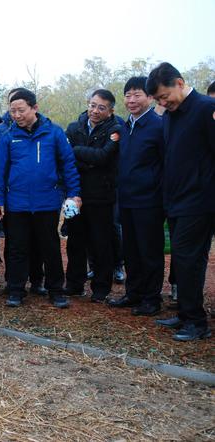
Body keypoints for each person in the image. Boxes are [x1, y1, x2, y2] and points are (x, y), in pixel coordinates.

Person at [0, 89, 80, 308]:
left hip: (46, 202)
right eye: (12, 111)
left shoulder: (54, 133)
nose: (17, 115)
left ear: (35, 108)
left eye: (21, 110)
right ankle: (16, 290)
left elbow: (68, 164)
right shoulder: (9, 137)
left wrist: (74, 193)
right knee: (17, 248)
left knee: (49, 247)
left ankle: (56, 290)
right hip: (17, 203)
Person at [147, 62, 214, 341]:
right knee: (182, 260)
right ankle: (186, 314)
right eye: (159, 100)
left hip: (199, 201)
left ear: (180, 83)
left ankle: (197, 323)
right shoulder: (171, 116)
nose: (163, 103)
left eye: (165, 96)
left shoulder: (204, 109)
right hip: (175, 200)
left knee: (190, 260)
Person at [108, 77, 165, 316]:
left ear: (150, 97)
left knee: (149, 251)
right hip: (127, 198)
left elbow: (165, 164)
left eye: (137, 94)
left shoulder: (159, 126)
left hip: (150, 201)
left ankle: (152, 299)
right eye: (128, 95)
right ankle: (134, 293)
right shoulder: (124, 127)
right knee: (130, 249)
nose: (131, 100)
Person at [65, 89, 122, 302]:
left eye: (101, 107)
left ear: (110, 110)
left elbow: (105, 157)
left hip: (102, 196)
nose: (95, 111)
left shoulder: (116, 129)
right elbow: (66, 160)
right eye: (92, 105)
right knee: (75, 242)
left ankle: (101, 288)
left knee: (101, 244)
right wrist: (90, 159)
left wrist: (78, 151)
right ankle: (73, 284)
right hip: (77, 195)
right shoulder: (73, 127)